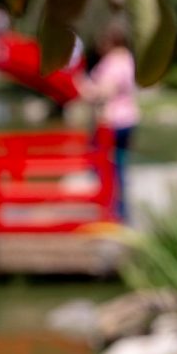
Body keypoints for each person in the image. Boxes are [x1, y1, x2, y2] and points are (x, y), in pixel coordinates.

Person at [76, 24, 140, 222]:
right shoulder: (128, 59)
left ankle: (114, 210)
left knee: (105, 166)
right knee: (119, 164)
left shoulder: (113, 62)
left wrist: (81, 85)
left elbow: (104, 92)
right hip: (128, 118)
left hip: (112, 121)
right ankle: (120, 210)